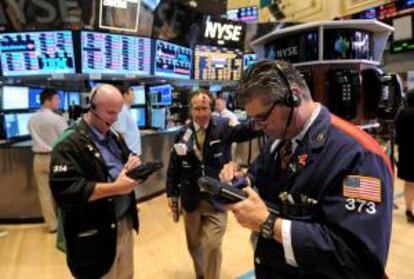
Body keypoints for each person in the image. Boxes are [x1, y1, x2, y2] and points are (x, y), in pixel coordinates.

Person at [219, 60, 393, 278]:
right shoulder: (279, 140)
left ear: (293, 97)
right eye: (254, 121)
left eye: (262, 118)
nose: (260, 127)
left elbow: (357, 259)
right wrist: (239, 181)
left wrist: (269, 223)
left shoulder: (359, 156)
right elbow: (259, 175)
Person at [166, 88, 261, 279]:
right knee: (194, 245)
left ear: (212, 108)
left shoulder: (223, 126)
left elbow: (246, 131)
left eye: (204, 108)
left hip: (216, 198)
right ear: (190, 110)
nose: (201, 113)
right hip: (191, 198)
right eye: (197, 108)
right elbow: (174, 165)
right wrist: (171, 192)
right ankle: (202, 275)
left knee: (213, 245)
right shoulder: (183, 133)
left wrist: (262, 116)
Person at [50, 84, 141, 279]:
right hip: (94, 231)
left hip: (123, 222)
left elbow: (122, 165)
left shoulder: (113, 135)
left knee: (126, 275)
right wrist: (116, 188)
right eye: (110, 113)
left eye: (118, 112)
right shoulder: (68, 144)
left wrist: (132, 164)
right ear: (92, 107)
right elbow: (66, 191)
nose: (115, 118)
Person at [28, 88, 68, 233]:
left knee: (44, 193)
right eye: (57, 99)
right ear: (48, 101)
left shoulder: (32, 118)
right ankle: (65, 222)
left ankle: (52, 225)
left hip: (38, 159)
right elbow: (67, 139)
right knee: (63, 189)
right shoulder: (57, 119)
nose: (59, 101)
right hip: (56, 159)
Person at [395, 89, 414, 223]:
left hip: (406, 153)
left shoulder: (401, 113)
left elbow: (397, 135)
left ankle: (408, 209)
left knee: (410, 183)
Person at [113, 86, 142, 155]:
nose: (134, 97)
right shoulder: (121, 111)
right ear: (125, 95)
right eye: (132, 95)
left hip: (133, 152)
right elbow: (119, 134)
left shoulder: (127, 109)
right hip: (129, 154)